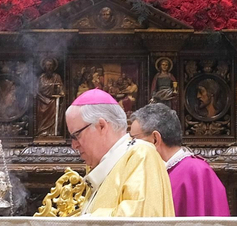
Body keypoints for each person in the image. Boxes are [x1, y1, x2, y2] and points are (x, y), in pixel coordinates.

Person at [65, 89, 175, 217]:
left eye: (76, 135)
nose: (74, 145)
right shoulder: (108, 165)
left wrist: (84, 221)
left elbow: (139, 220)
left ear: (101, 126)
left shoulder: (141, 155)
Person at [129, 103, 228, 217]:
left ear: (155, 139)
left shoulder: (196, 171)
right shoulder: (154, 171)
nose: (131, 146)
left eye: (134, 139)